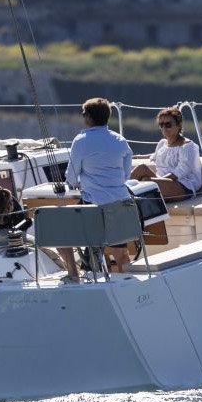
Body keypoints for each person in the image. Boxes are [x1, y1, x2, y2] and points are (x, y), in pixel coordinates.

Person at [60, 97, 134, 277]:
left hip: (93, 204)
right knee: (121, 253)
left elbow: (71, 176)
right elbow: (125, 174)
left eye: (83, 113)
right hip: (120, 202)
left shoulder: (81, 140)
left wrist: (78, 182)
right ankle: (126, 281)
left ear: (89, 117)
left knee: (71, 239)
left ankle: (79, 275)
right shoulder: (120, 140)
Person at [130, 106, 202, 201]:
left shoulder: (187, 146)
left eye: (168, 124)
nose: (164, 128)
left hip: (183, 186)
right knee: (141, 168)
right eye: (161, 124)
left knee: (146, 182)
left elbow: (181, 171)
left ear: (179, 125)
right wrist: (135, 157)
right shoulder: (162, 144)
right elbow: (154, 155)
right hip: (163, 181)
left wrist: (158, 181)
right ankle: (118, 194)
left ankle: (125, 199)